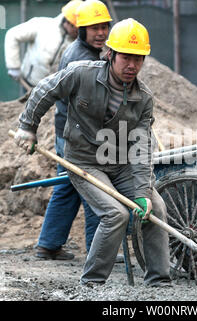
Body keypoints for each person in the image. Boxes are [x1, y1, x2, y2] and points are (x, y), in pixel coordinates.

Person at [14, 18, 172, 287]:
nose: (132, 65)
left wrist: (143, 193)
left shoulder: (143, 98)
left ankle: (159, 281)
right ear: (110, 54)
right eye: (126, 57)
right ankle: (91, 285)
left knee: (156, 208)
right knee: (115, 215)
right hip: (85, 162)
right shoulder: (81, 73)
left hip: (121, 164)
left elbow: (143, 147)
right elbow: (45, 90)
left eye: (139, 58)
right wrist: (28, 127)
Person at [35, 0, 118, 260]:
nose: (101, 33)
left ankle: (47, 245)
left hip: (69, 131)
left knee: (67, 187)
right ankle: (99, 250)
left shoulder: (87, 53)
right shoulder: (81, 60)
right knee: (96, 187)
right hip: (78, 136)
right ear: (81, 29)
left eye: (104, 27)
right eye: (94, 28)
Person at [4, 0, 82, 88]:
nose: (78, 32)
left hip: (55, 91)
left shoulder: (80, 43)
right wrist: (13, 66)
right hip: (30, 84)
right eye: (76, 29)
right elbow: (12, 34)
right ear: (68, 22)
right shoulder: (42, 25)